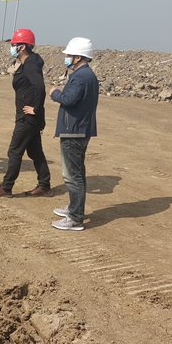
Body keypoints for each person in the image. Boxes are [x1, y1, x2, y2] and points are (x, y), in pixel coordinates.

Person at [0, 28, 52, 198]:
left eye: (14, 44)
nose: (12, 47)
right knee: (35, 152)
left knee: (14, 152)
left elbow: (39, 87)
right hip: (31, 118)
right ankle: (44, 185)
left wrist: (35, 109)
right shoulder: (27, 63)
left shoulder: (30, 65)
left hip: (27, 118)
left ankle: (6, 187)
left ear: (22, 47)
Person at [49, 37, 99, 230]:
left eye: (70, 55)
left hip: (74, 132)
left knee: (72, 176)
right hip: (79, 130)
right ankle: (73, 208)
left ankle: (75, 218)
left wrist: (55, 93)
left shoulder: (81, 77)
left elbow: (69, 99)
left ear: (78, 57)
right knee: (77, 173)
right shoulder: (86, 75)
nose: (67, 58)